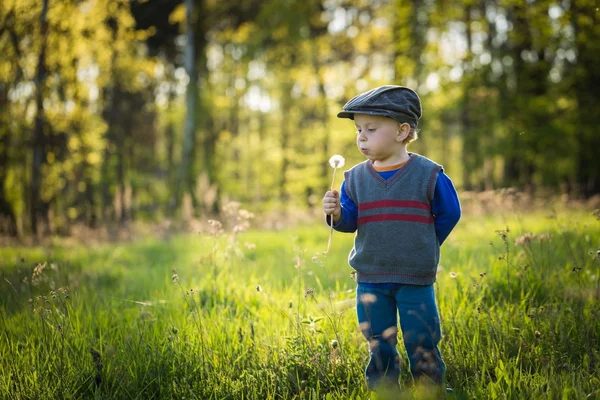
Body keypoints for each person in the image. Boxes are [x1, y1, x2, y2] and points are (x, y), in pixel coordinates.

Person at [322, 85, 461, 391]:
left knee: (421, 337)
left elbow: (450, 213)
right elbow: (349, 221)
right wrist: (335, 214)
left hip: (415, 275)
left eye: (371, 129)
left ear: (402, 131)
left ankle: (429, 389)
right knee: (377, 338)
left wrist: (423, 242)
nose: (361, 136)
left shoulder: (429, 174)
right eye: (358, 129)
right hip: (371, 276)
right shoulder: (354, 178)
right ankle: (384, 389)